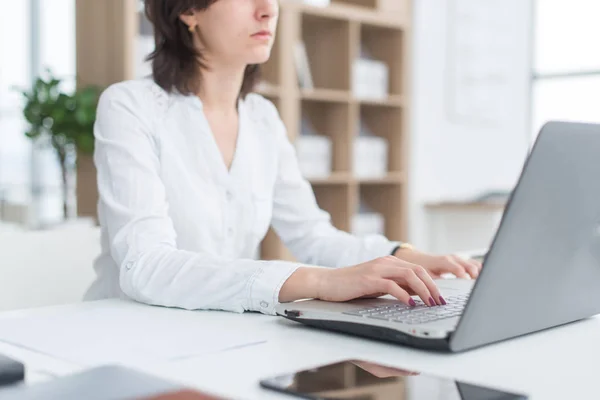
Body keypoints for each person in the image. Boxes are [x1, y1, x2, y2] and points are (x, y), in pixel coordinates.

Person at [84, 0, 481, 315]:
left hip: (214, 330)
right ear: (188, 10)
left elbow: (313, 236)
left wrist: (407, 258)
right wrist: (322, 282)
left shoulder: (262, 118)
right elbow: (146, 267)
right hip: (131, 335)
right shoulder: (130, 106)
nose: (268, 8)